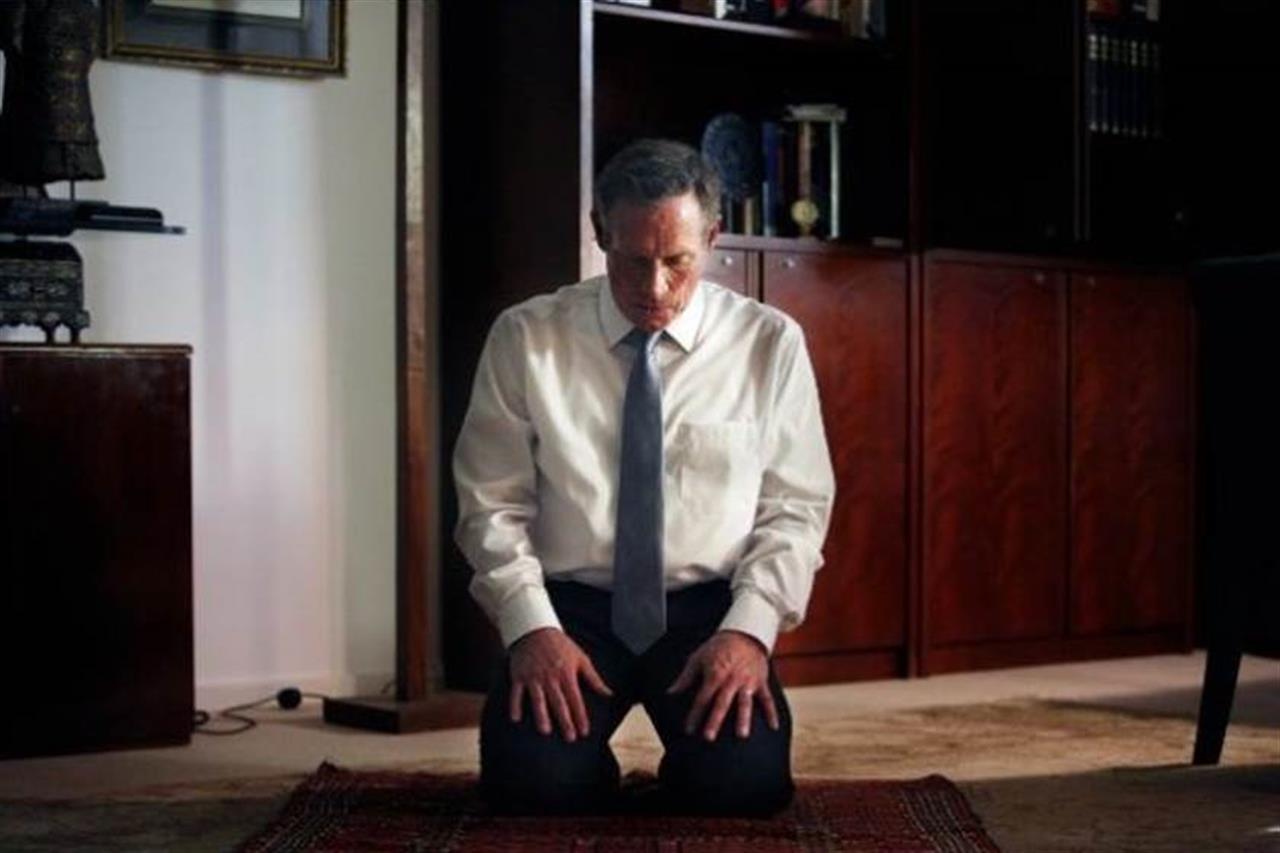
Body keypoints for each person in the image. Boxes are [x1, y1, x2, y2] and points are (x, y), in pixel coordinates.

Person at [453, 138, 835, 816]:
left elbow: (795, 507)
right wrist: (530, 628)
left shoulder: (770, 343)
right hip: (571, 605)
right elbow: (491, 504)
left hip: (707, 607)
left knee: (743, 788)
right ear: (600, 232)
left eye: (677, 261)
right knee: (531, 787)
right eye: (633, 260)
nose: (654, 288)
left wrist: (749, 632)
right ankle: (580, 770)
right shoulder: (526, 337)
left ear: (712, 238)